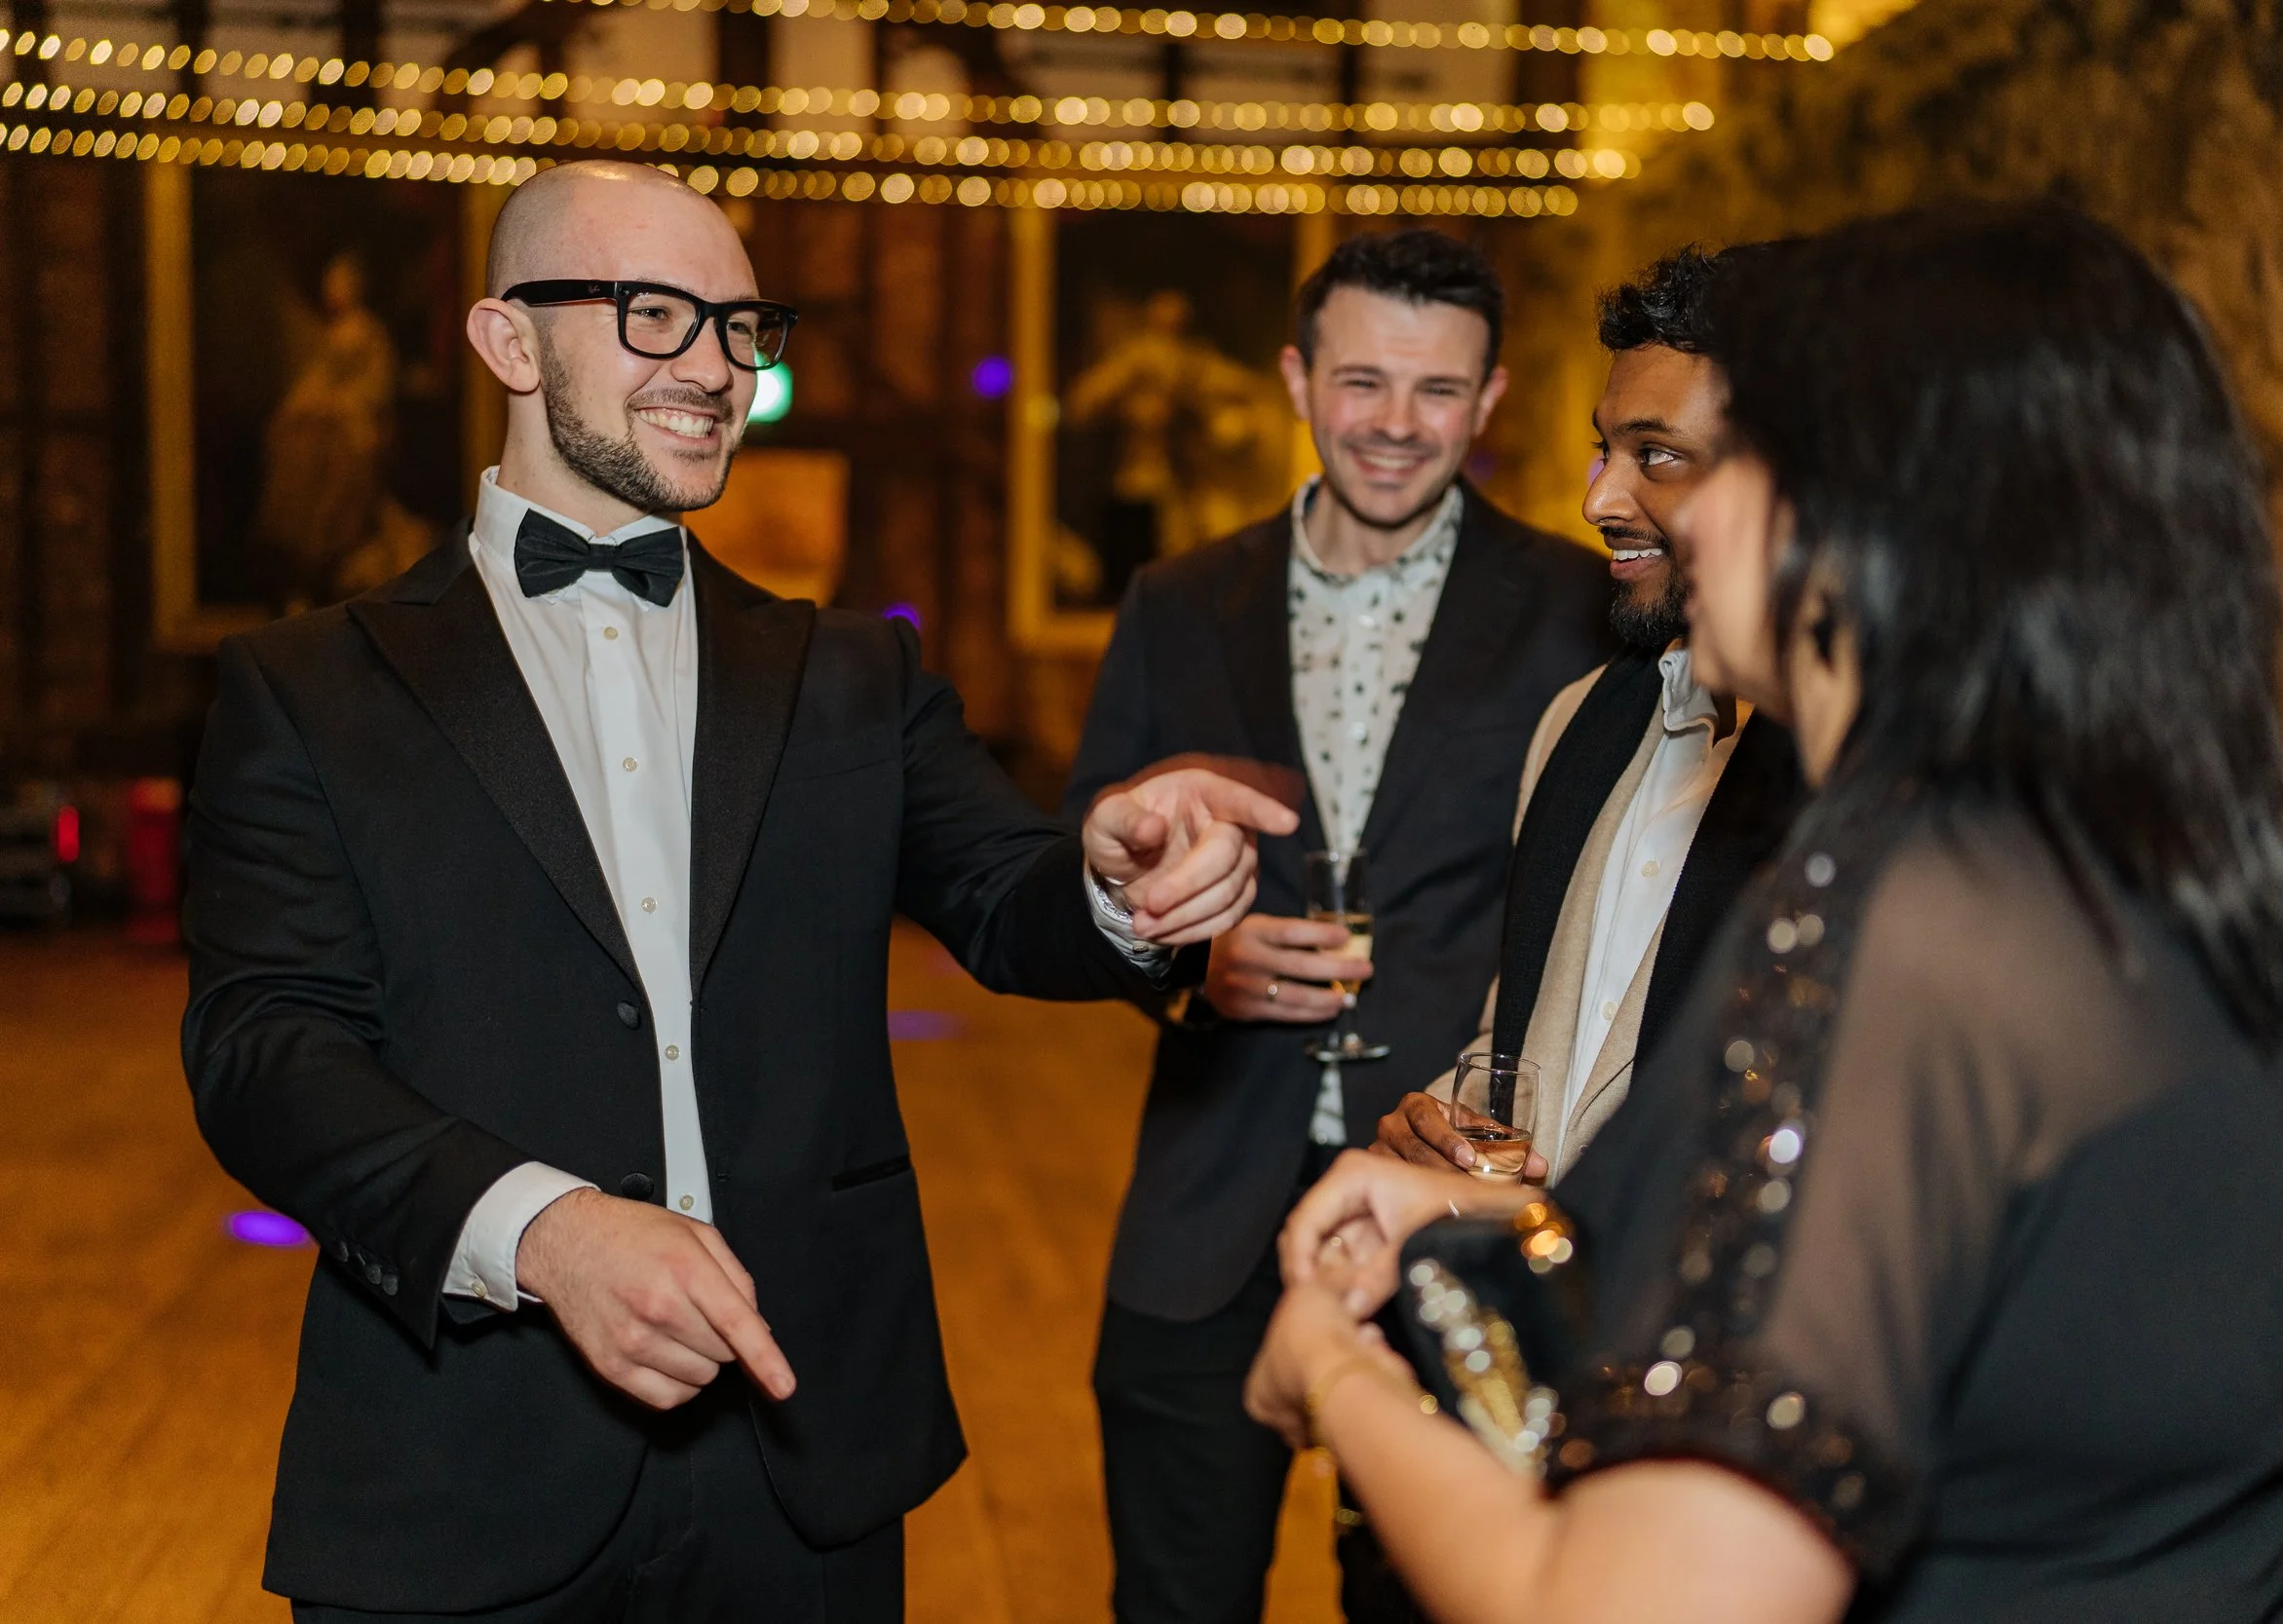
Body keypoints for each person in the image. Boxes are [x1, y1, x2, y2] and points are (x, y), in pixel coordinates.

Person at [181, 160, 1295, 1624]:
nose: (715, 367)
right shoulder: (309, 688)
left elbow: (1006, 889)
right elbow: (267, 1051)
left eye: (738, 326)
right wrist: (545, 1231)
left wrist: (1117, 872)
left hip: (802, 1459)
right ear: (509, 341)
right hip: (464, 1463)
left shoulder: (849, 672)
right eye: (656, 315)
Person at [1245, 204, 2283, 1623]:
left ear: (1885, 516)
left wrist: (1333, 1371)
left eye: (1746, 455)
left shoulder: (1906, 919)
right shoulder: (2154, 883)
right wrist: (1471, 1213)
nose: (1676, 508)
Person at [1061, 228, 1611, 1624]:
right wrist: (1194, 959)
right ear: (1299, 376)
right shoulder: (1176, 602)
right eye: (1363, 380)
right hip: (1205, 1206)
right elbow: (1088, 872)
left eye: (1438, 390)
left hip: (1459, 1200)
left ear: (1489, 401)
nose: (1394, 424)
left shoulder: (1582, 609)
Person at [1340, 246, 1807, 1621]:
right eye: (1606, 449)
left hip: (1713, 1477)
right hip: (1527, 1402)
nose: (1601, 497)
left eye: (1657, 455)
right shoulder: (1581, 724)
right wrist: (1439, 1116)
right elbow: (1528, 1037)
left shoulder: (1857, 786)